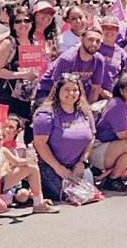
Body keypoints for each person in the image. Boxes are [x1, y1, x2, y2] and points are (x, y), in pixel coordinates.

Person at [0, 122, 57, 221]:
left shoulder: (3, 150)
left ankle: (38, 203)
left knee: (32, 167)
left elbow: (17, 162)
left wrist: (30, 160)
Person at [32, 73, 96, 203]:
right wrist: (58, 167)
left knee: (88, 195)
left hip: (77, 165)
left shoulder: (85, 112)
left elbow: (92, 138)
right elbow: (40, 144)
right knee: (70, 197)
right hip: (51, 166)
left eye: (75, 90)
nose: (71, 93)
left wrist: (82, 162)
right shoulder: (46, 113)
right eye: (67, 89)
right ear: (57, 91)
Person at [0, 6, 43, 141]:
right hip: (5, 96)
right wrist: (20, 75)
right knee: (1, 134)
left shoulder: (34, 42)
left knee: (21, 134)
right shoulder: (8, 44)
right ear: (12, 25)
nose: (23, 24)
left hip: (26, 97)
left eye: (26, 20)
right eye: (18, 21)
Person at [37, 27, 112, 104]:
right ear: (82, 39)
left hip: (71, 92)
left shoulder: (99, 60)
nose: (94, 44)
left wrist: (87, 110)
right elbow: (55, 87)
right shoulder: (68, 59)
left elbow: (95, 89)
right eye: (90, 39)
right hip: (47, 91)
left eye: (98, 41)